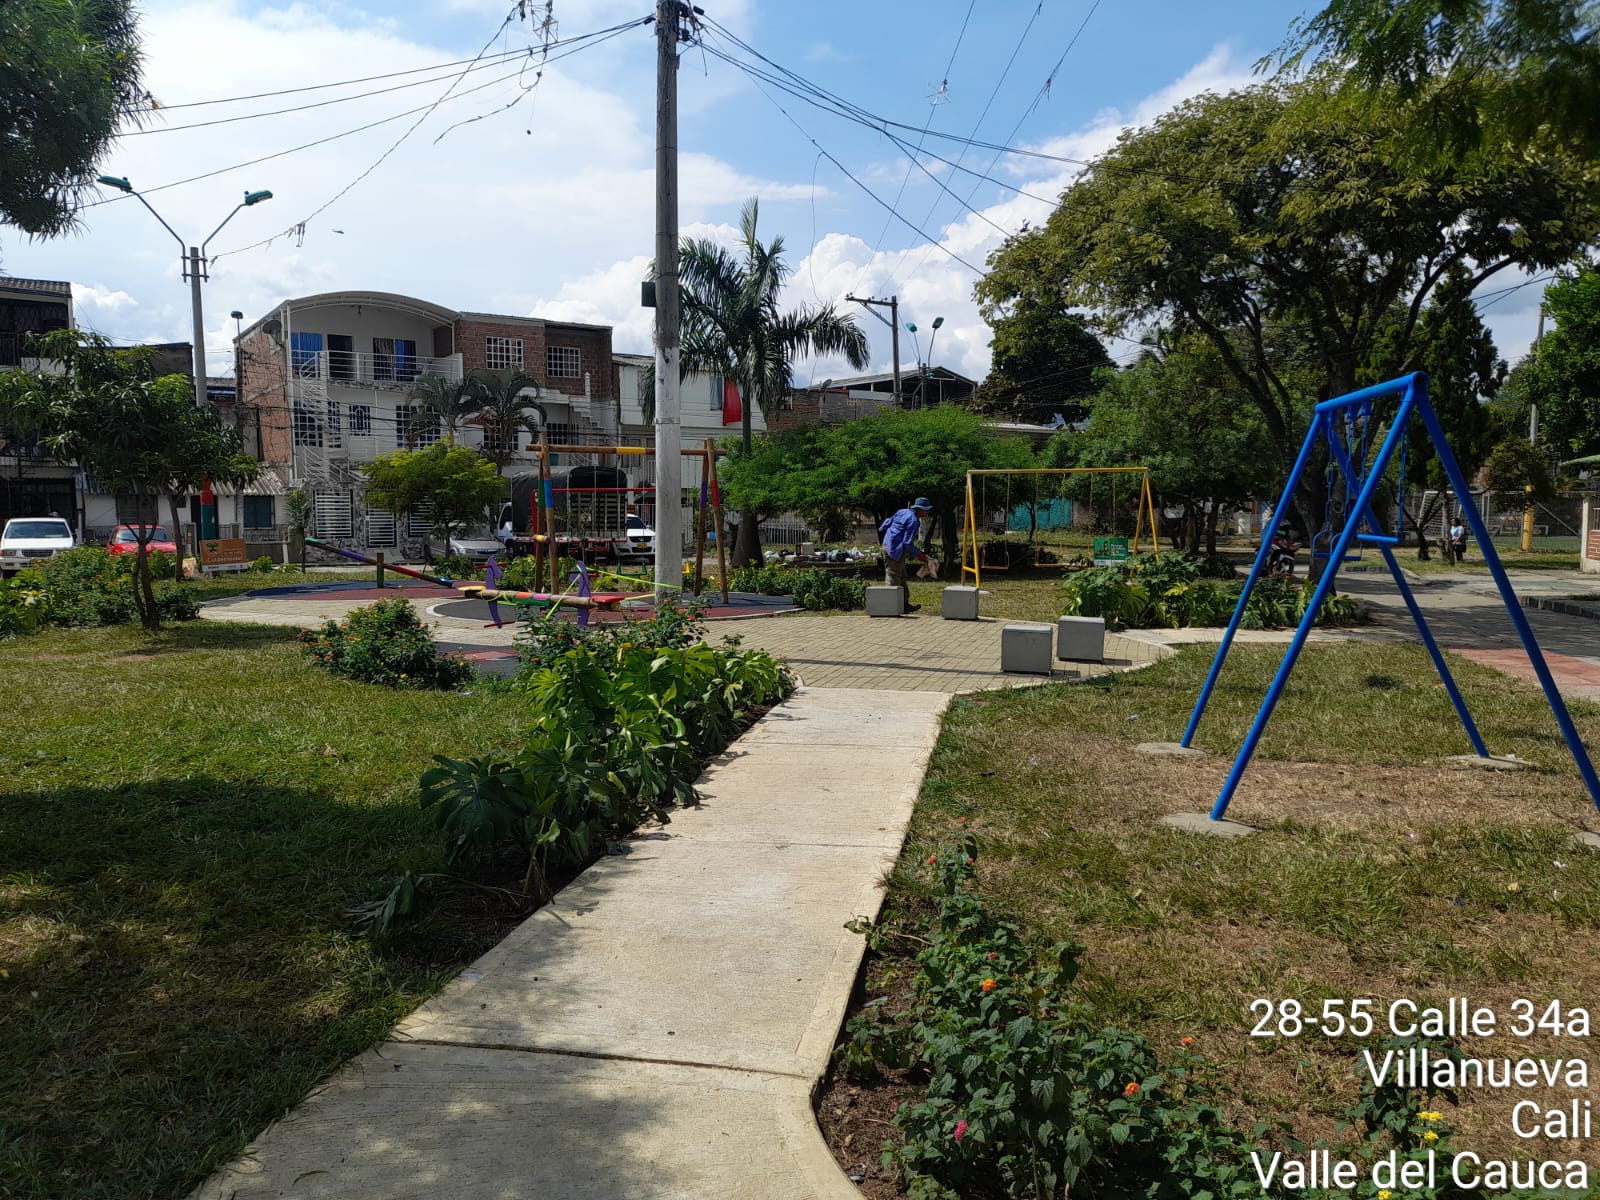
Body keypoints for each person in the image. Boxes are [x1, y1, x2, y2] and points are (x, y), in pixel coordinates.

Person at [879, 497, 935, 612]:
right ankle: (890, 607)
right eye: (926, 510)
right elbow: (907, 543)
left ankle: (904, 604)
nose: (928, 512)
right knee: (893, 577)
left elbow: (888, 522)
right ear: (920, 510)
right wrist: (920, 556)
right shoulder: (914, 521)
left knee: (902, 576)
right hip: (893, 550)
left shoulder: (903, 511)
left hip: (887, 544)